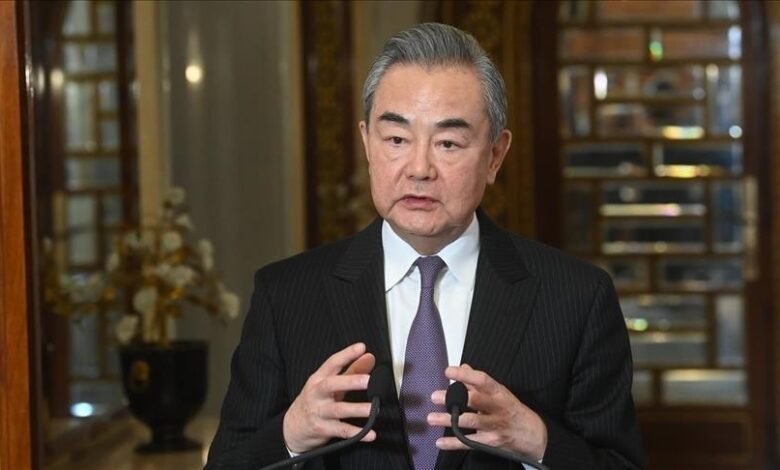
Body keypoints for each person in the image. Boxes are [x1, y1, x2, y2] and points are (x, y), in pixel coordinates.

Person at [206, 23, 645, 470]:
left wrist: (540, 442)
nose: (419, 168)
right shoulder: (287, 295)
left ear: (495, 155)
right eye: (396, 139)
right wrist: (290, 435)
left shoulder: (576, 297)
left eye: (448, 143)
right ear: (367, 142)